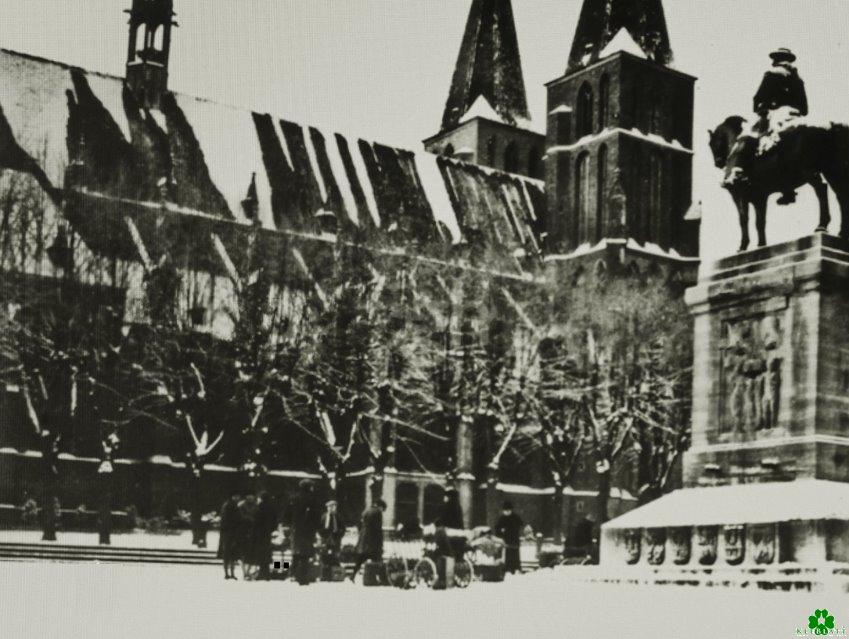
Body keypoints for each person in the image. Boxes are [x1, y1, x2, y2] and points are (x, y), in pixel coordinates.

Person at [729, 48, 809, 204]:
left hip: (776, 115)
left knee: (747, 137)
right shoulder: (798, 79)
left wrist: (760, 108)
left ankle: (739, 172)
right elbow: (805, 108)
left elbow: (758, 98)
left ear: (776, 59)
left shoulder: (772, 73)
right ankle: (789, 190)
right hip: (796, 117)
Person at [287, 480, 320, 585]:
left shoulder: (294, 498)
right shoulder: (311, 499)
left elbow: (287, 514)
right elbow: (315, 515)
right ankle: (302, 577)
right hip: (308, 531)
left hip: (296, 530)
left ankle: (292, 574)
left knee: (296, 554)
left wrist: (290, 525)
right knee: (305, 555)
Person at [350, 499, 386, 581]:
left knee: (361, 558)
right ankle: (380, 578)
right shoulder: (378, 512)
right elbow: (378, 528)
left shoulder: (366, 511)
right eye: (383, 509)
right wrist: (380, 541)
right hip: (373, 540)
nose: (382, 511)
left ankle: (353, 575)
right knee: (377, 558)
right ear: (381, 507)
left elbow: (359, 524)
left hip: (363, 538)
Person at [493, 501, 524, 574]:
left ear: (511, 510)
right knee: (508, 554)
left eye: (508, 510)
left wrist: (505, 529)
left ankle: (516, 567)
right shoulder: (502, 518)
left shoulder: (515, 517)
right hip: (506, 540)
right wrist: (501, 532)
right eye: (505, 510)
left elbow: (520, 524)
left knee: (515, 554)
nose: (506, 512)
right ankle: (508, 567)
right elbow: (497, 528)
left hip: (514, 539)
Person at [254, 491, 277, 580]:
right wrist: (272, 530)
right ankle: (267, 573)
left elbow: (256, 520)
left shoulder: (260, 507)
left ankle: (261, 573)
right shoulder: (272, 507)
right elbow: (275, 520)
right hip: (268, 534)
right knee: (267, 553)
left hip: (260, 533)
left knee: (261, 553)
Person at [218, 493, 241, 580]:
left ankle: (228, 573)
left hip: (227, 534)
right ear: (233, 496)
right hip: (230, 533)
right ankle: (229, 573)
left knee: (228, 555)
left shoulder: (228, 505)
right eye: (237, 496)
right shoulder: (231, 506)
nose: (238, 498)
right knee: (230, 555)